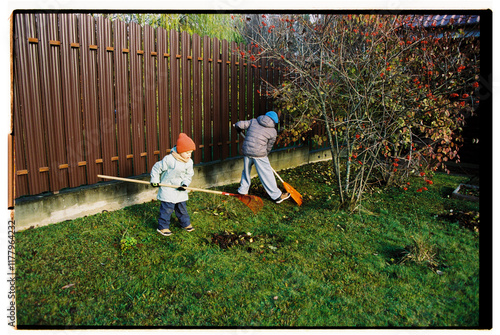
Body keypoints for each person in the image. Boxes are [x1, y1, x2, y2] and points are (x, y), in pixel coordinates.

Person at [234, 111, 290, 204]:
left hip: (247, 151)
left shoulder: (254, 121)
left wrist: (238, 129)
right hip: (259, 154)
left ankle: (242, 191)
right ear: (274, 121)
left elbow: (239, 124)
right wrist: (265, 154)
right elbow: (269, 146)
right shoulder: (273, 132)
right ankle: (277, 196)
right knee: (266, 174)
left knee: (246, 171)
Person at [150, 133, 196, 236]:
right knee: (167, 209)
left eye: (191, 152)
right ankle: (163, 227)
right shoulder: (169, 159)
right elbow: (157, 168)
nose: (189, 155)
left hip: (180, 189)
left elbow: (189, 175)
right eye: (187, 152)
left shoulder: (189, 162)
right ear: (179, 151)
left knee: (181, 208)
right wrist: (154, 180)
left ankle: (185, 223)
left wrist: (185, 184)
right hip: (168, 188)